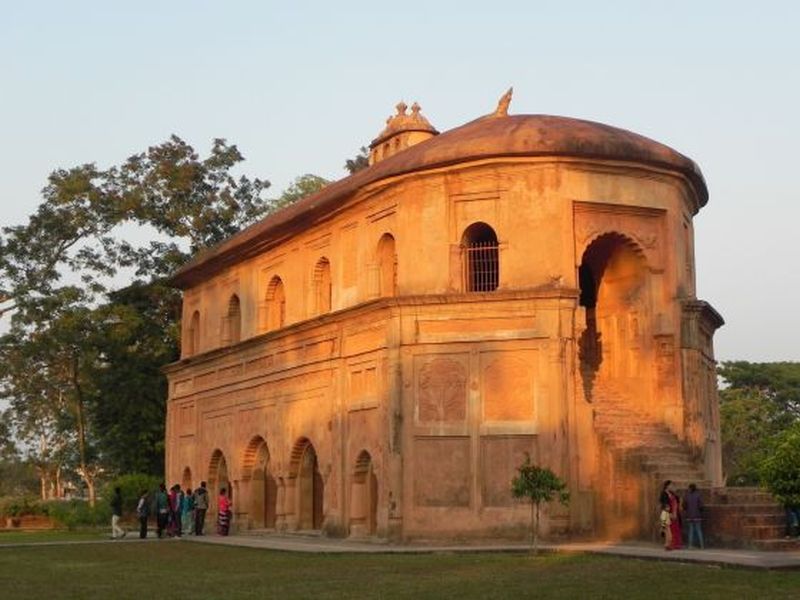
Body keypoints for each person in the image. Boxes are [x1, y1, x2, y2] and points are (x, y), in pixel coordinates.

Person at [683, 483, 704, 549]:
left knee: (691, 531)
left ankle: (690, 545)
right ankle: (702, 545)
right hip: (697, 515)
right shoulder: (698, 495)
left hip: (689, 515)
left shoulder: (687, 496)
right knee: (699, 530)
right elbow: (701, 506)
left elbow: (684, 506)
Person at [665, 481, 683, 550]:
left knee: (674, 529)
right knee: (673, 529)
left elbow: (675, 506)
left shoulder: (674, 497)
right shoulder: (672, 497)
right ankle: (674, 544)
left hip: (674, 514)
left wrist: (674, 513)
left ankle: (675, 544)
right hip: (673, 513)